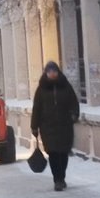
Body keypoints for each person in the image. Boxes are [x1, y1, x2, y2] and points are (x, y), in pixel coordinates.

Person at [31, 61, 79, 191]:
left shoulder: (66, 86)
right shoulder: (41, 89)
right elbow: (37, 108)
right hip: (48, 127)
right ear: (46, 73)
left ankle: (61, 177)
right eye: (49, 71)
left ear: (58, 72)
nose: (52, 74)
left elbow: (73, 102)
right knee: (52, 154)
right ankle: (57, 180)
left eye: (54, 71)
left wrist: (74, 114)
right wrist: (34, 126)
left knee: (63, 154)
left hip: (64, 126)